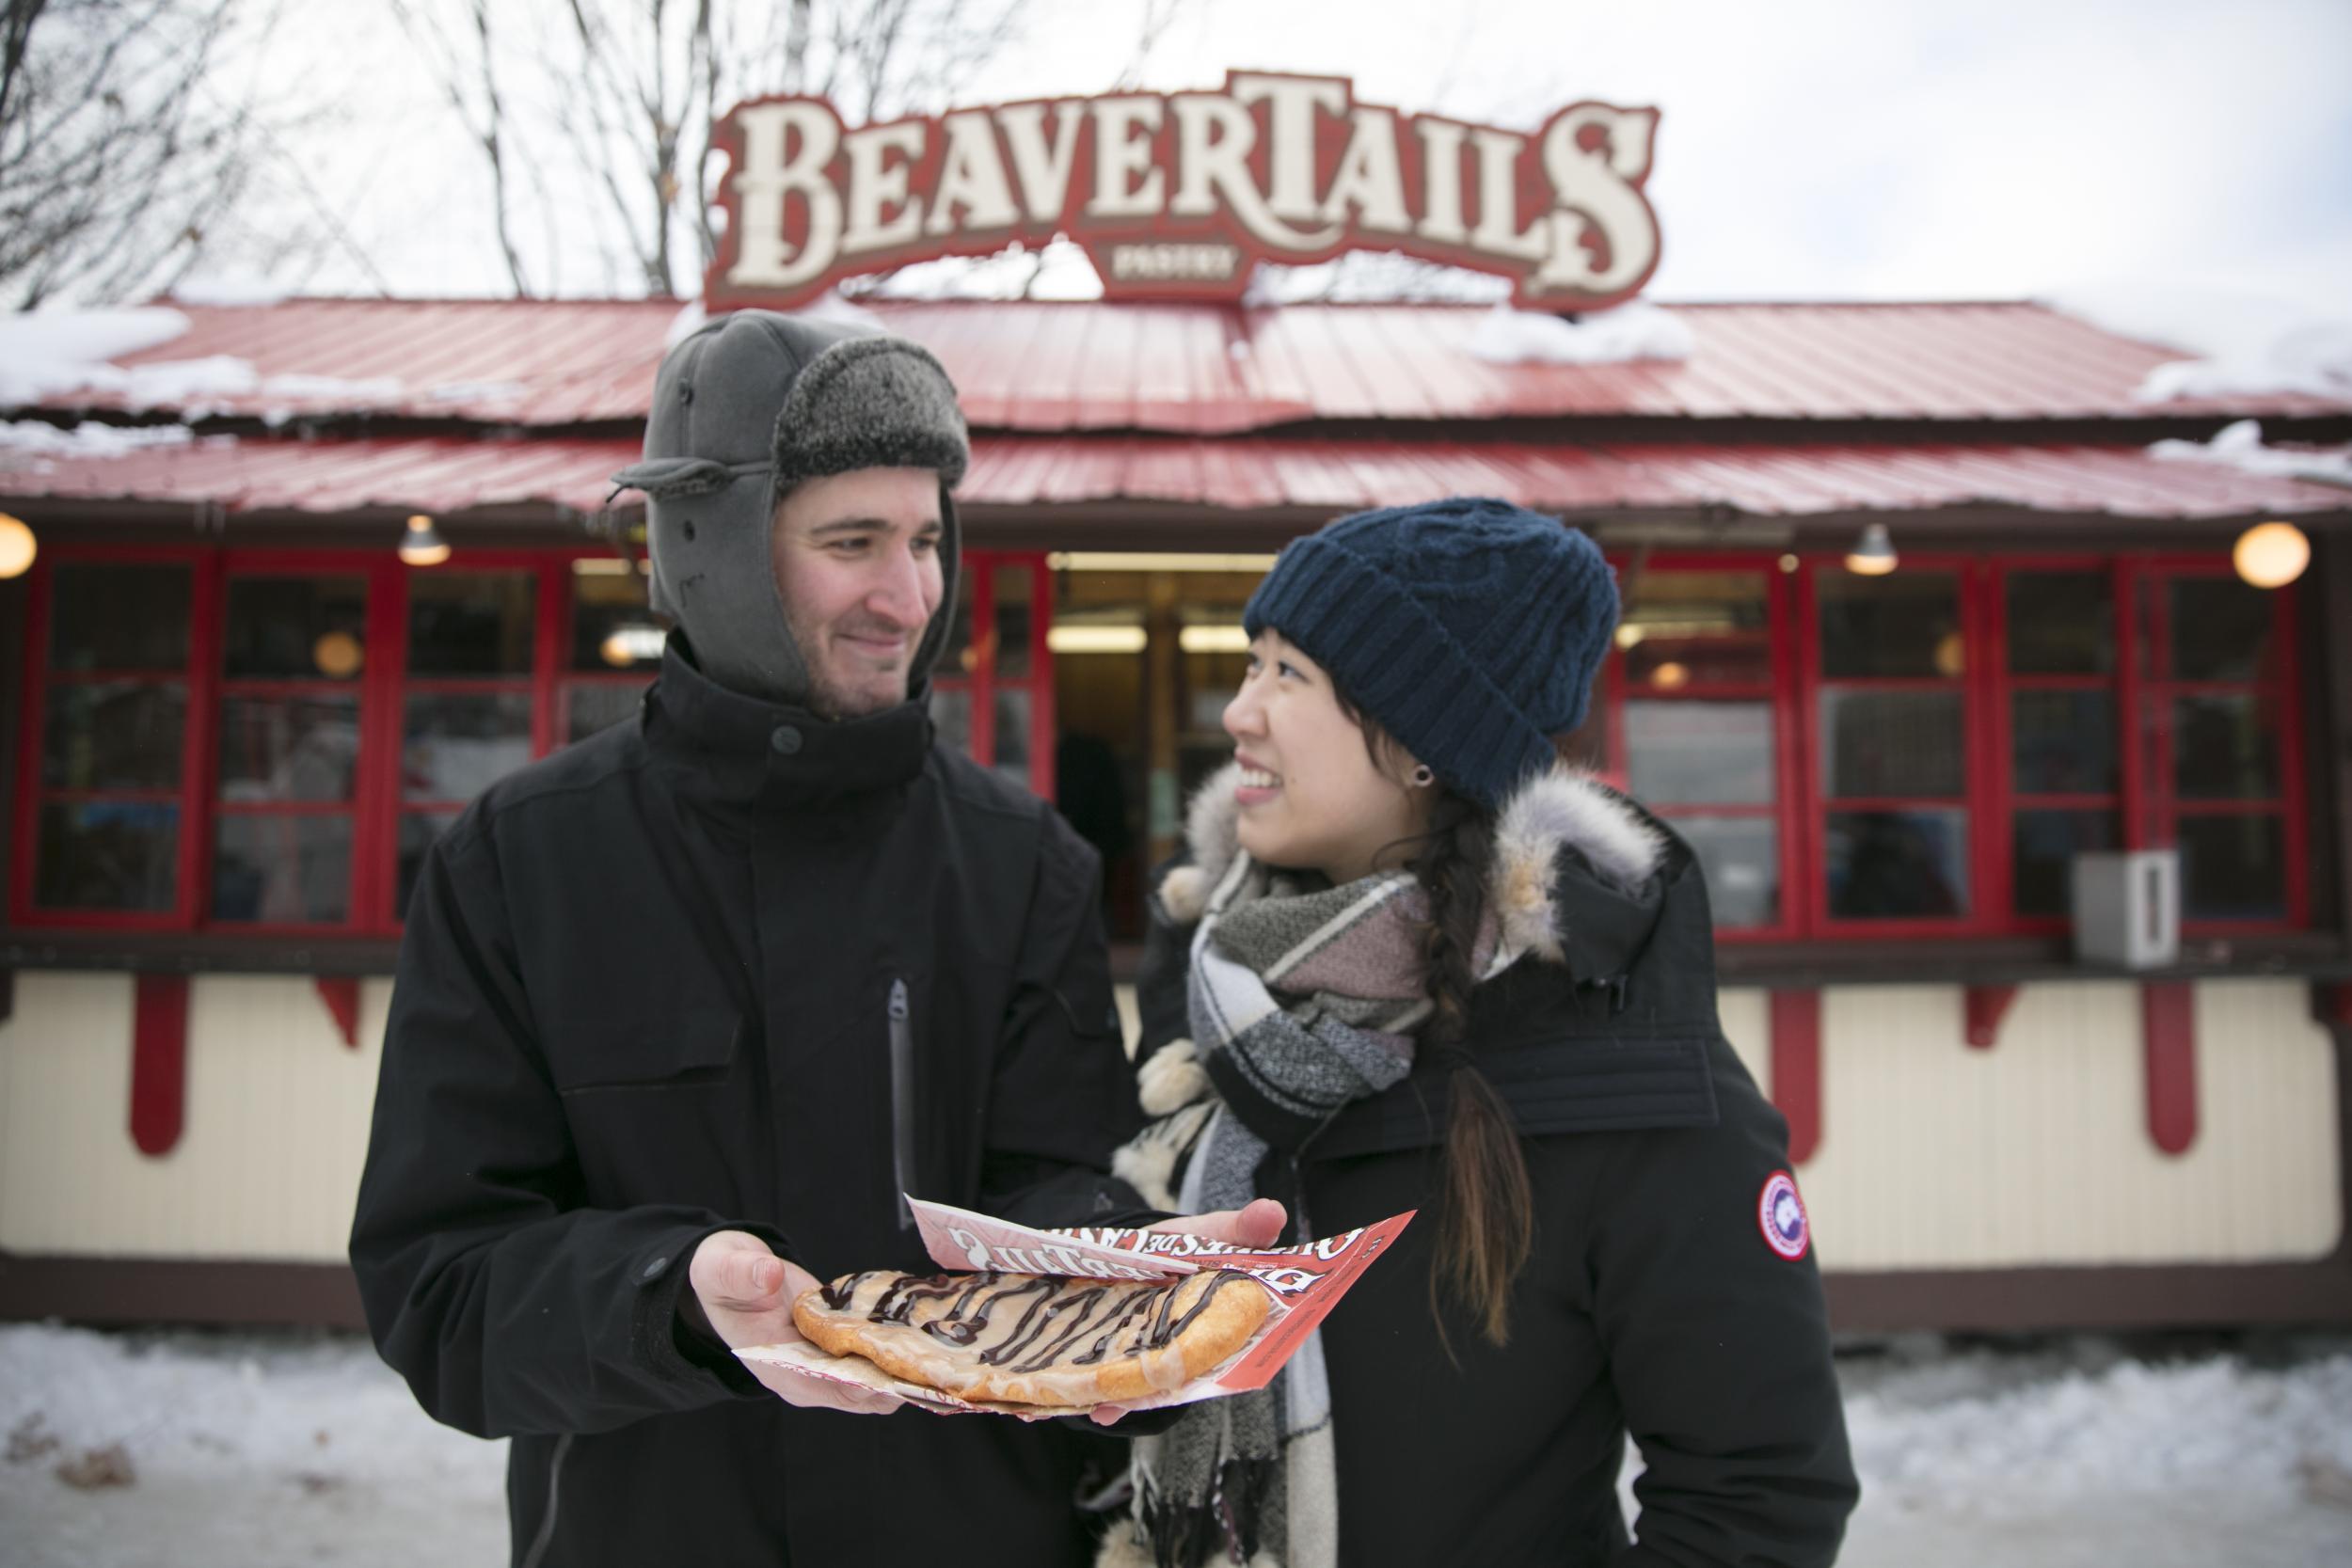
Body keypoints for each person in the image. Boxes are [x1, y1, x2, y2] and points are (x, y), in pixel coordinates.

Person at [348, 310, 1271, 1567]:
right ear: (711, 545)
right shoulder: (524, 862)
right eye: (853, 542)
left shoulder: (1020, 862)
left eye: (928, 540)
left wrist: (1105, 1264)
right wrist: (670, 1298)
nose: (911, 594)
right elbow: (439, 1288)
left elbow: (1045, 1180)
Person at [1101, 498, 1859, 1567]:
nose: (1237, 712)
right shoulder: (1215, 982)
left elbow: (1760, 1493)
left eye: (1288, 675)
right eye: (1250, 663)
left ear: (1420, 741)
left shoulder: (1614, 1043)